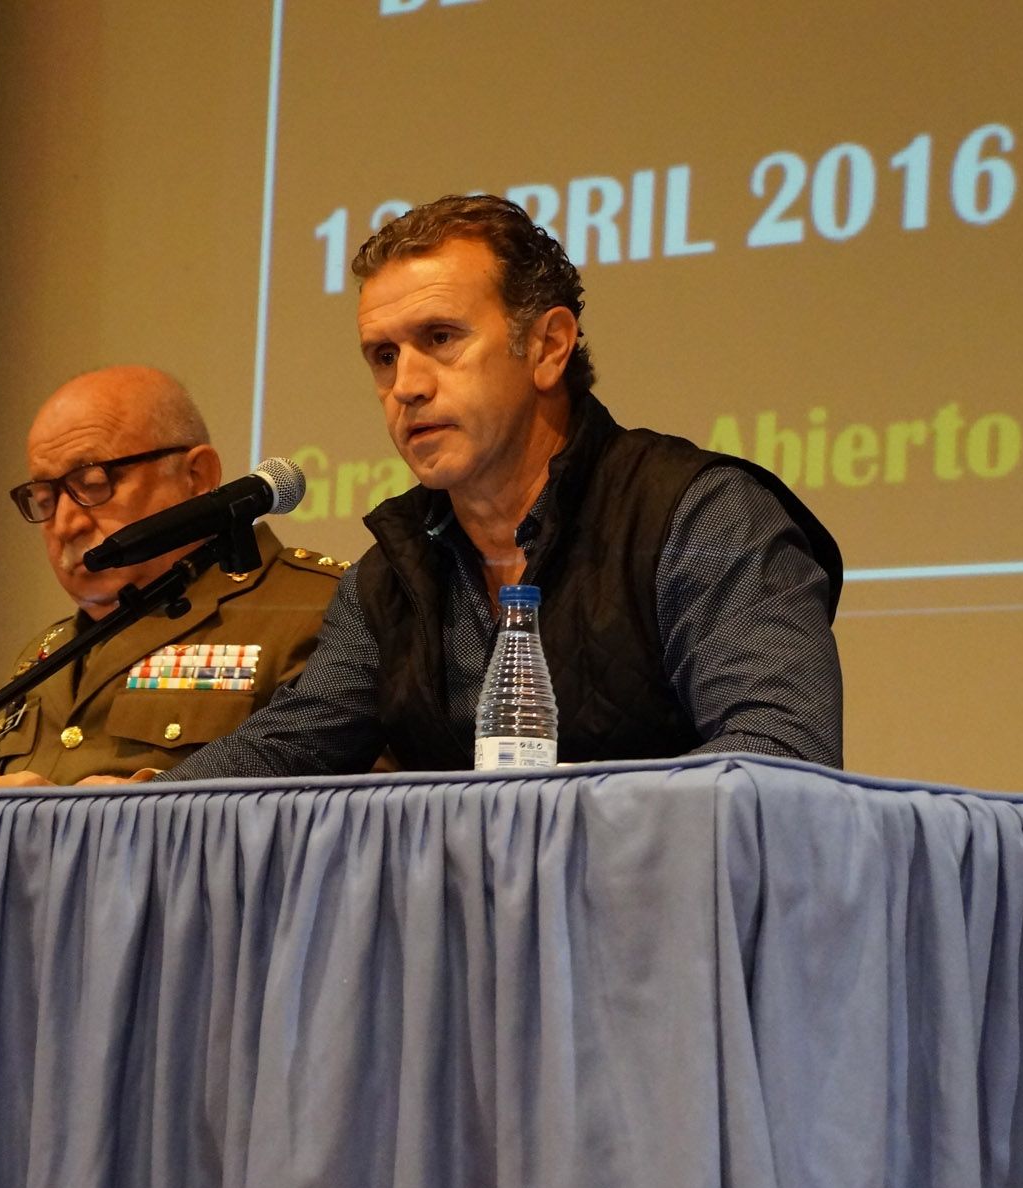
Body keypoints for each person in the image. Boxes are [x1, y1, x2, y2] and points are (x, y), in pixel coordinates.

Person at [139, 193, 844, 783]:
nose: (406, 386)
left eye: (441, 338)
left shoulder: (697, 515)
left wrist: (551, 828)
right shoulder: (391, 575)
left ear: (547, 347)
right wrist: (106, 808)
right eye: (384, 356)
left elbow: (781, 755)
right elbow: (285, 749)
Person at [0, 365, 344, 786]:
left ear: (196, 476)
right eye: (44, 496)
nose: (65, 524)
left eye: (93, 482)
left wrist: (140, 813)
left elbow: (356, 818)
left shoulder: (319, 609)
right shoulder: (43, 655)